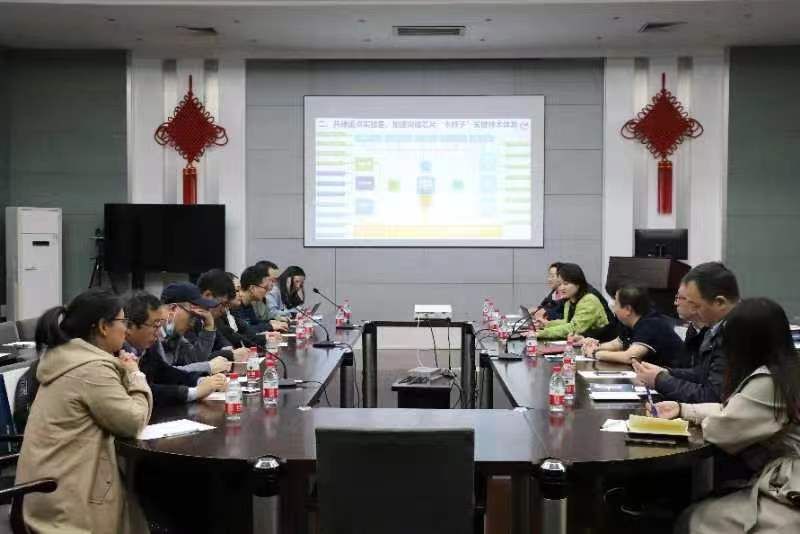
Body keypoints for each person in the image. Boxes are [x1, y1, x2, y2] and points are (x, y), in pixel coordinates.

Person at [651, 298, 800, 533]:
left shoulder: (767, 382)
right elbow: (733, 410)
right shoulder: (786, 371)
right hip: (783, 476)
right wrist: (683, 409)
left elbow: (722, 430)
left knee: (694, 517)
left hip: (788, 486)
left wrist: (689, 414)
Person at [15, 289, 152, 533]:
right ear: (103, 327)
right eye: (123, 321)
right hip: (69, 506)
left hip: (47, 492)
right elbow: (133, 421)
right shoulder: (91, 369)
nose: (126, 329)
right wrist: (135, 375)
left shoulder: (67, 359)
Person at [634, 262, 739, 403]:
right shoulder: (715, 328)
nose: (694, 312)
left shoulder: (737, 334)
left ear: (719, 302)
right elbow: (702, 374)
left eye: (695, 305)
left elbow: (712, 397)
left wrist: (659, 380)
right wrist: (664, 373)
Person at [123, 291, 226, 406]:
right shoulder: (119, 353)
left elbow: (166, 372)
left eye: (159, 325)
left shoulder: (149, 347)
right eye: (155, 325)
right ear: (129, 326)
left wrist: (201, 381)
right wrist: (194, 392)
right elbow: (147, 389)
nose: (157, 333)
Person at [582, 285, 688, 367]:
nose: (613, 305)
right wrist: (595, 346)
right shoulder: (630, 321)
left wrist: (596, 353)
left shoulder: (651, 324)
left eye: (616, 302)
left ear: (628, 309)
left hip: (673, 378)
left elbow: (630, 357)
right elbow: (618, 344)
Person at [200, 269, 285, 348]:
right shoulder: (203, 317)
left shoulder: (227, 312)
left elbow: (245, 332)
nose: (240, 294)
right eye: (236, 290)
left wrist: (264, 335)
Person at [160, 282, 231, 375]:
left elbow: (194, 360)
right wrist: (208, 367)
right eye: (192, 316)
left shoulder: (174, 336)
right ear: (173, 308)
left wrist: (208, 327)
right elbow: (164, 374)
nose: (192, 324)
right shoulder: (151, 335)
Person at [535, 263, 609, 340]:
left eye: (566, 284)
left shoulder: (589, 300)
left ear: (578, 283)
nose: (561, 288)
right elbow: (567, 322)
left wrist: (542, 333)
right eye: (559, 284)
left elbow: (574, 328)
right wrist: (547, 324)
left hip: (602, 343)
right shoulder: (569, 301)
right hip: (583, 341)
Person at [674, 281, 709, 367]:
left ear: (697, 302)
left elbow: (703, 373)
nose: (676, 303)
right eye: (676, 297)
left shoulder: (715, 334)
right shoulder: (692, 329)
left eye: (680, 298)